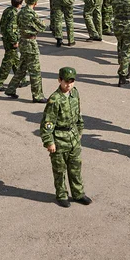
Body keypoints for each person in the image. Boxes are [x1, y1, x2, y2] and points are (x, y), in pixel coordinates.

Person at [41, 67, 92, 208]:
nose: (69, 85)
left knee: (75, 168)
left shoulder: (75, 93)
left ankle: (78, 194)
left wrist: (80, 130)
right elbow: (47, 123)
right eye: (66, 81)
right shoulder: (55, 99)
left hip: (73, 137)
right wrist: (49, 142)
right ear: (59, 80)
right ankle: (61, 195)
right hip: (59, 139)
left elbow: (78, 114)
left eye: (71, 81)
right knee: (59, 170)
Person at [5, 0, 46, 102]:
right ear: (35, 3)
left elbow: (17, 25)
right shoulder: (32, 14)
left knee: (22, 68)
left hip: (23, 41)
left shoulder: (21, 12)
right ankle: (37, 96)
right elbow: (42, 27)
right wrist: (42, 23)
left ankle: (10, 89)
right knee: (35, 71)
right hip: (30, 43)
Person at [0, 0, 23, 91]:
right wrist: (14, 41)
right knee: (7, 63)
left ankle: (20, 80)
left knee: (16, 61)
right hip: (10, 41)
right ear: (19, 4)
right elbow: (11, 29)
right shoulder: (14, 14)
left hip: (6, 38)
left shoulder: (8, 10)